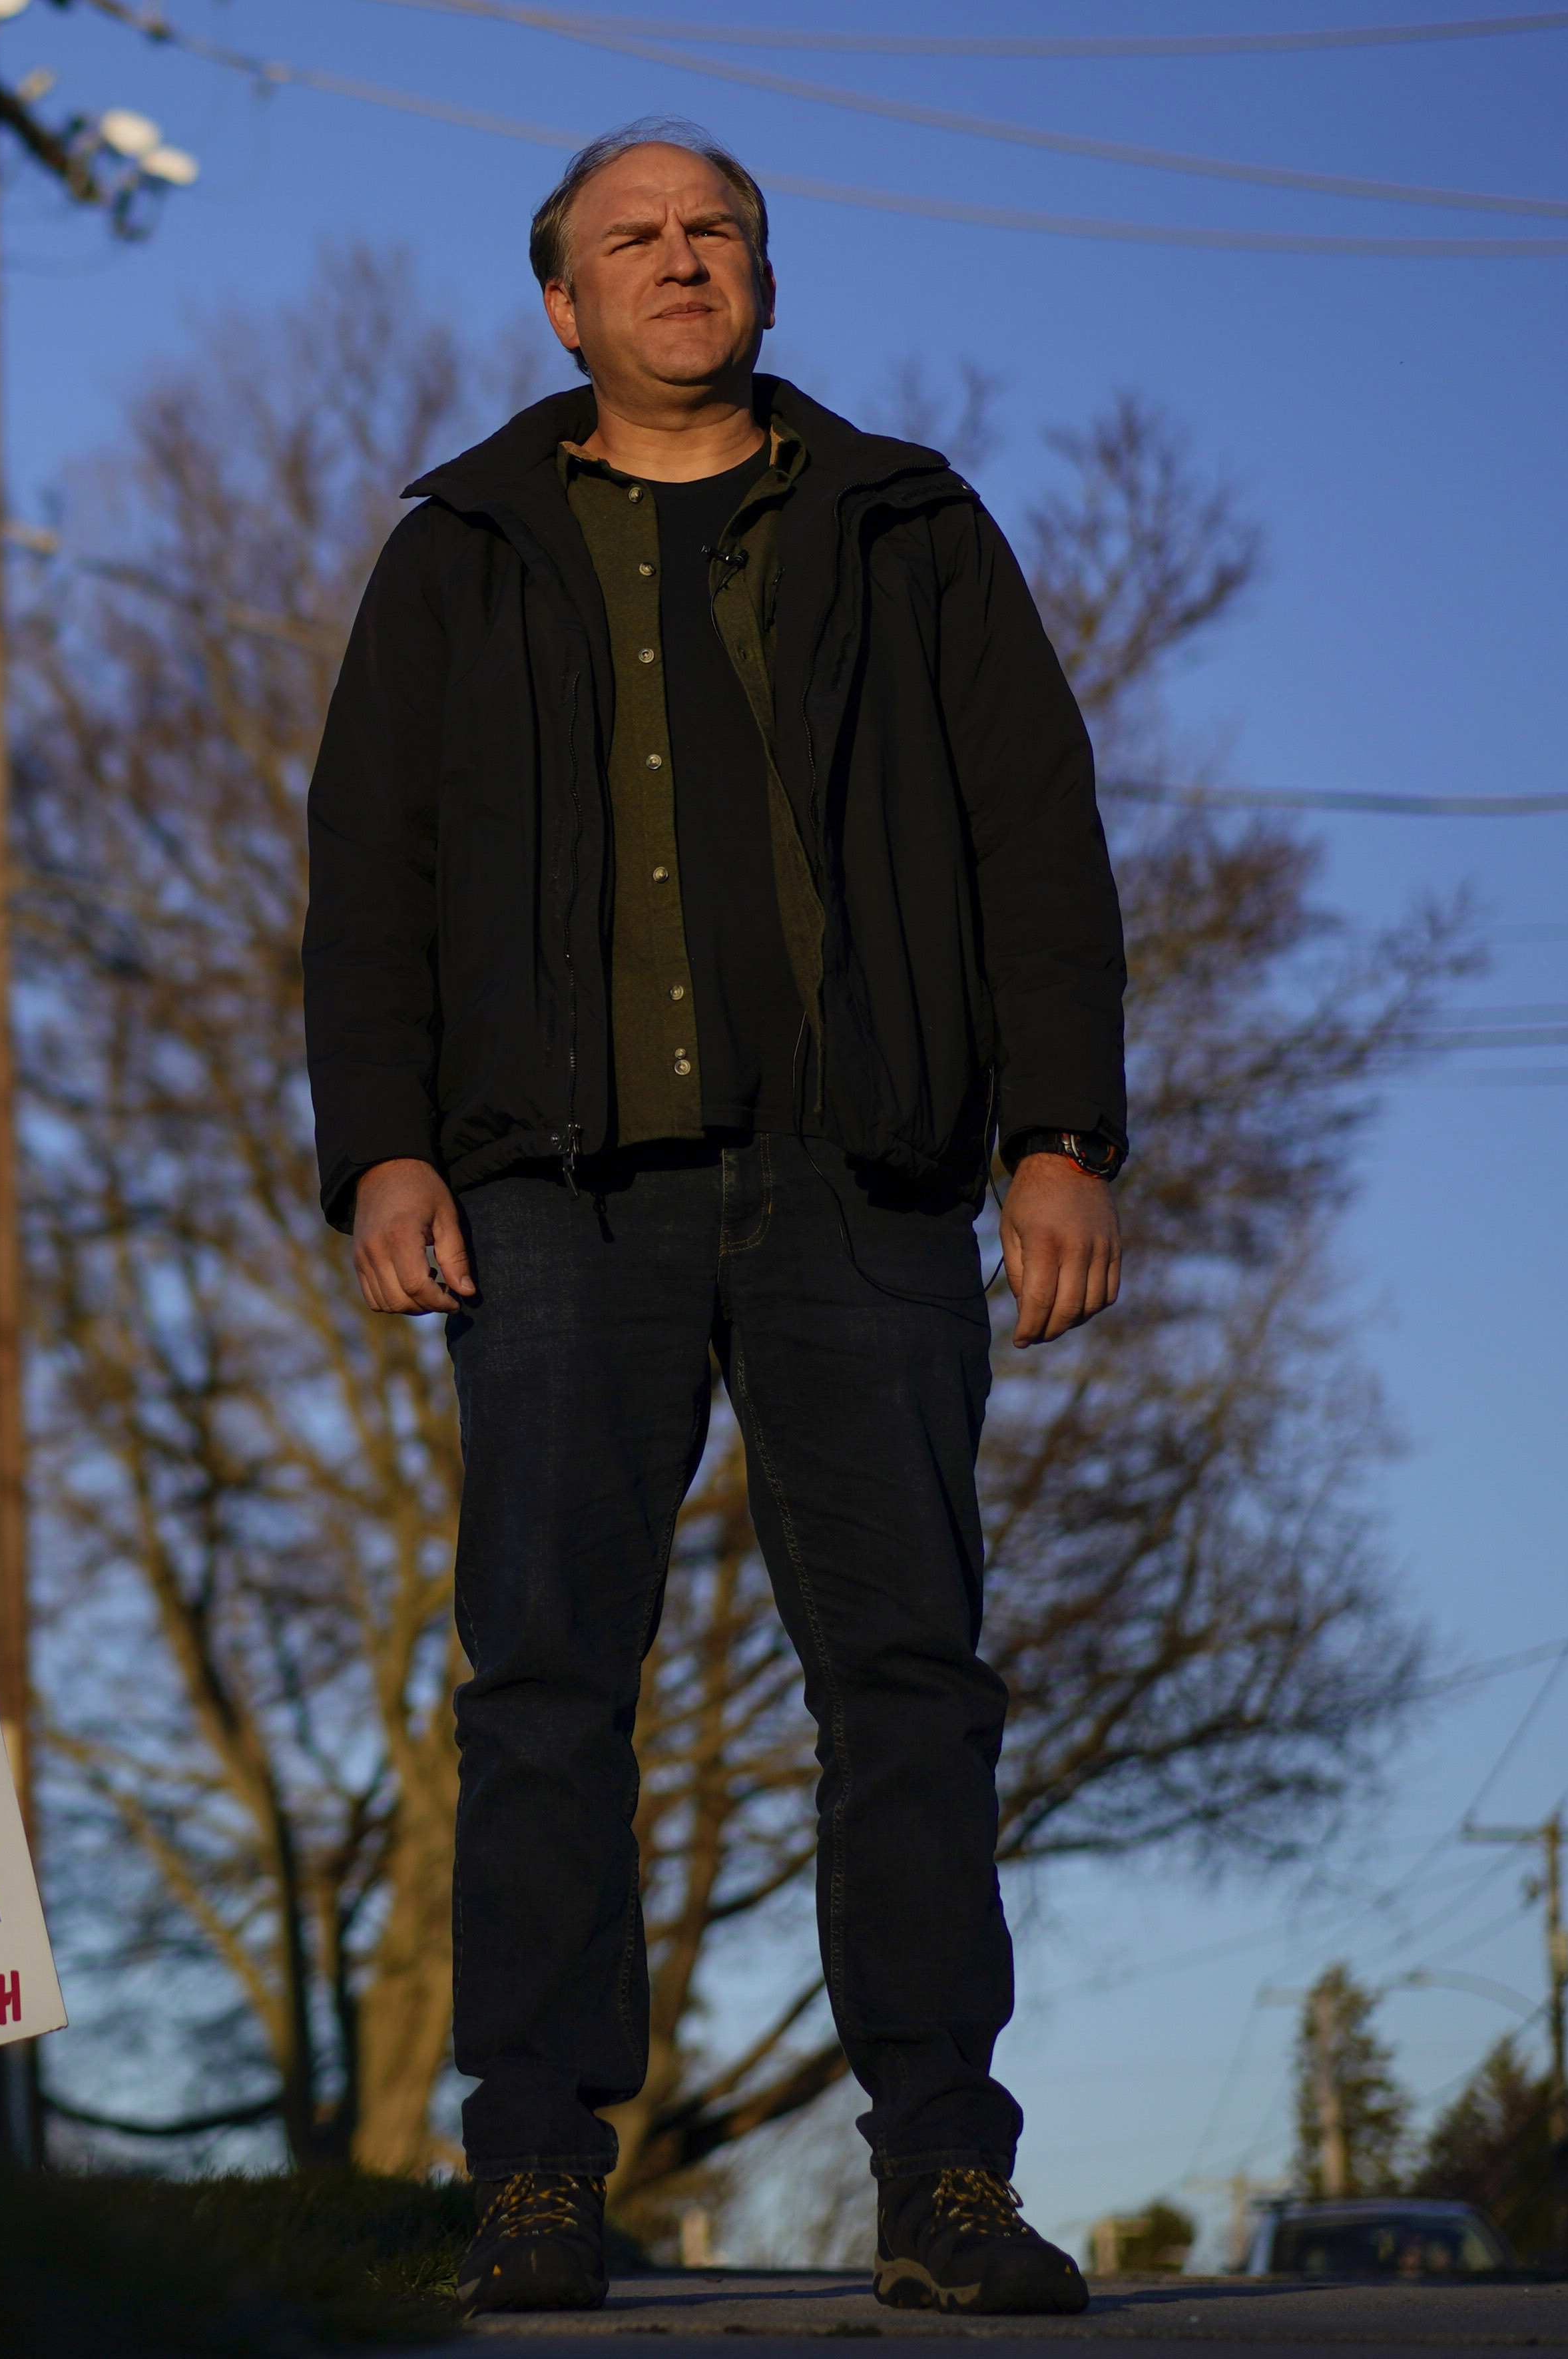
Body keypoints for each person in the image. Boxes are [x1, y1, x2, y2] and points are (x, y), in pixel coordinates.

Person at [301, 120, 1122, 2317]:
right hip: (552, 1205)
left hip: (866, 1183)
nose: (681, 262)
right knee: (548, 1683)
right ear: (561, 308)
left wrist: (1064, 1135)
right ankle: (540, 2172)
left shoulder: (909, 528)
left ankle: (947, 2178)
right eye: (631, 242)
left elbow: (1035, 838)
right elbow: (368, 878)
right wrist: (378, 1143)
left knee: (910, 1685)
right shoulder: (463, 549)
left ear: (763, 276)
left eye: (716, 231)